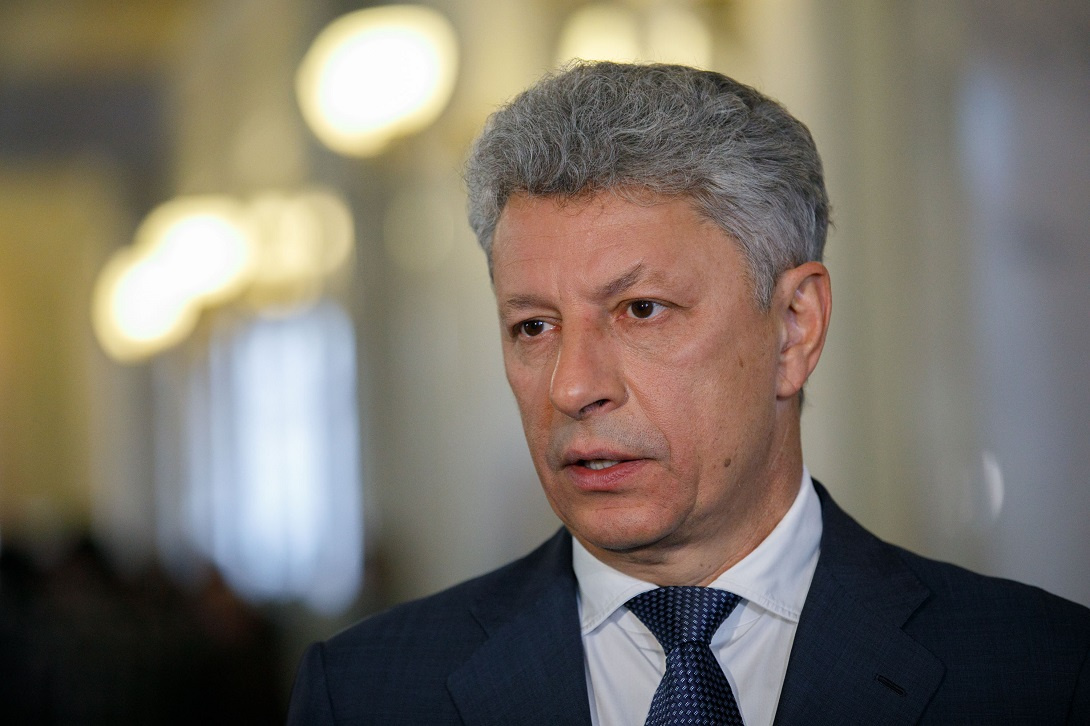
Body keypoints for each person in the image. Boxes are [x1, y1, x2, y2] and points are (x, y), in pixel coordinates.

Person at [287, 62, 1090, 725]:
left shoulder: (1042, 674)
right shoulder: (365, 694)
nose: (573, 386)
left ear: (794, 328)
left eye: (641, 310)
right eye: (533, 326)